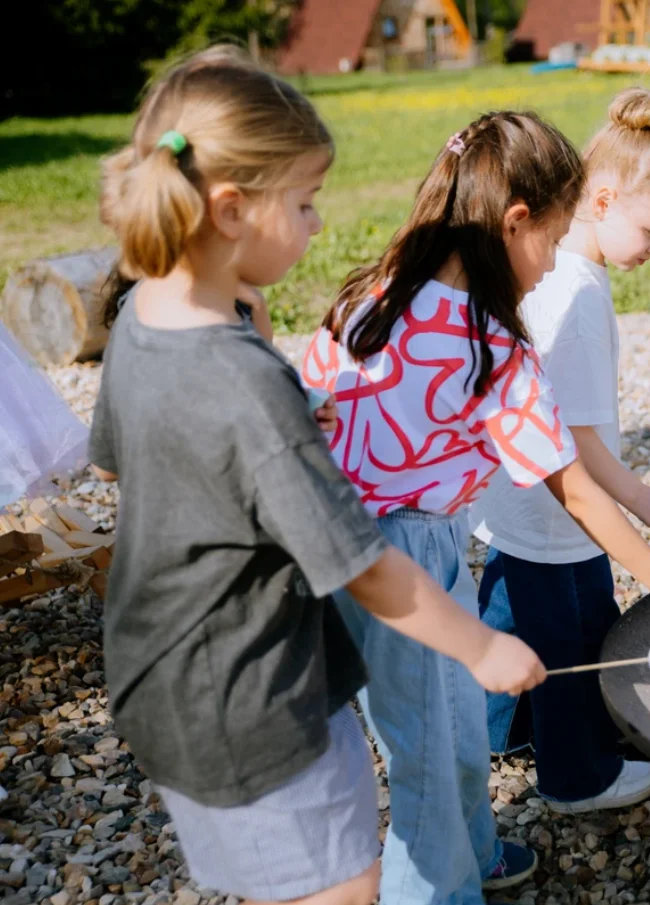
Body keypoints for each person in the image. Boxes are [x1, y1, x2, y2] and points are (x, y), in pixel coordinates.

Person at [90, 47, 545, 905]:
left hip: (163, 676)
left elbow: (120, 456)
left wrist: (279, 404)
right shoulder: (248, 388)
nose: (317, 225)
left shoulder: (142, 322)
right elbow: (365, 567)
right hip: (257, 694)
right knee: (339, 886)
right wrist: (481, 645)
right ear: (229, 210)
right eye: (303, 203)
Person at [302, 110, 650, 905]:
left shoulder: (375, 291)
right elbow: (575, 485)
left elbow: (314, 417)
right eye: (551, 242)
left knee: (450, 725)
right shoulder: (494, 343)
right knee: (427, 761)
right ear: (516, 221)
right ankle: (438, 888)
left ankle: (477, 850)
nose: (552, 262)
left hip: (358, 544)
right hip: (406, 560)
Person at [471, 88, 650, 814]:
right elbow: (575, 442)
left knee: (509, 604)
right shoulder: (577, 296)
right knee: (574, 636)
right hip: (556, 507)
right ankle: (577, 775)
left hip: (511, 500)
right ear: (600, 199)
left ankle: (496, 732)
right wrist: (640, 497)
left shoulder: (556, 271)